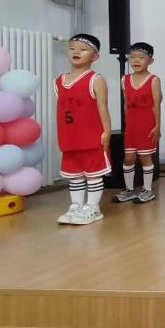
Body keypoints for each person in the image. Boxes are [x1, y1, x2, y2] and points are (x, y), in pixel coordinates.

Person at [55, 34, 112, 225]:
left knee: (93, 174)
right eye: (72, 48)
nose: (76, 52)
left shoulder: (95, 79)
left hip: (91, 136)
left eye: (83, 49)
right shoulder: (59, 81)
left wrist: (106, 132)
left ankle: (93, 208)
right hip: (69, 137)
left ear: (95, 56)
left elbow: (102, 107)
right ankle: (76, 206)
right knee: (75, 175)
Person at [112, 42, 161, 205]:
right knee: (129, 157)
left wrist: (157, 126)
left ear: (150, 61)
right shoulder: (124, 80)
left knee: (145, 157)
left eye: (141, 57)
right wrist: (127, 123)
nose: (136, 60)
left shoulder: (153, 80)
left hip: (146, 123)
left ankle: (147, 190)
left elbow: (156, 105)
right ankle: (129, 190)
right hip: (132, 125)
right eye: (132, 57)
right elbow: (126, 103)